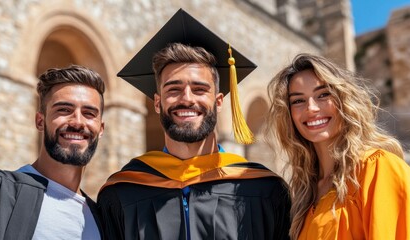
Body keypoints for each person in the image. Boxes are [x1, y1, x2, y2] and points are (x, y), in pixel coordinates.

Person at [98, 9, 291, 240]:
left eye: (200, 89)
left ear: (219, 102)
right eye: (174, 89)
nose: (187, 98)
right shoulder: (122, 193)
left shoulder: (263, 190)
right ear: (158, 103)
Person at [265, 53, 410, 240]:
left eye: (323, 94)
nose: (311, 108)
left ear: (343, 100)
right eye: (298, 101)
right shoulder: (306, 194)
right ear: (289, 114)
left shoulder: (376, 168)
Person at [0, 30, 105, 239]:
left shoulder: (103, 220)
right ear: (40, 121)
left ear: (100, 129)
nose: (77, 122)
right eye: (64, 110)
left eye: (89, 113)